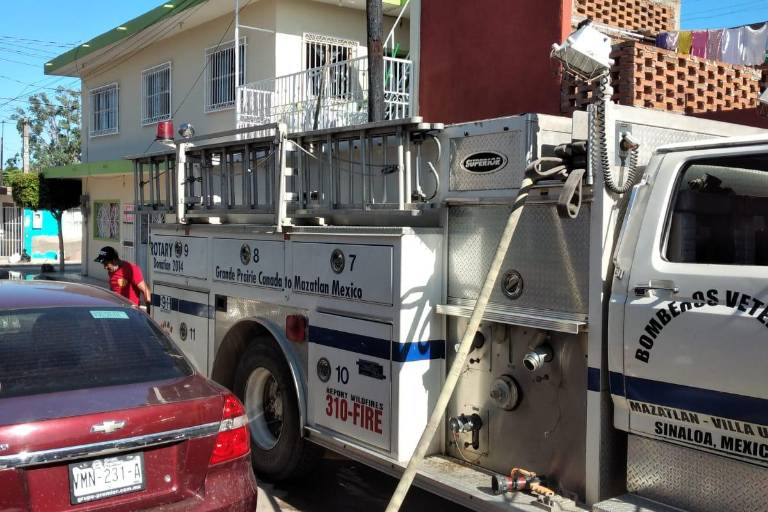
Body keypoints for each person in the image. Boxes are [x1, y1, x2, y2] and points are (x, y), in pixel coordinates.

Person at [94, 246, 151, 313]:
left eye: (106, 264)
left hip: (131, 311)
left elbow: (145, 290)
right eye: (103, 264)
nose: (105, 267)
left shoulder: (131, 269)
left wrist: (149, 312)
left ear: (114, 260)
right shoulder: (111, 271)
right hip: (117, 310)